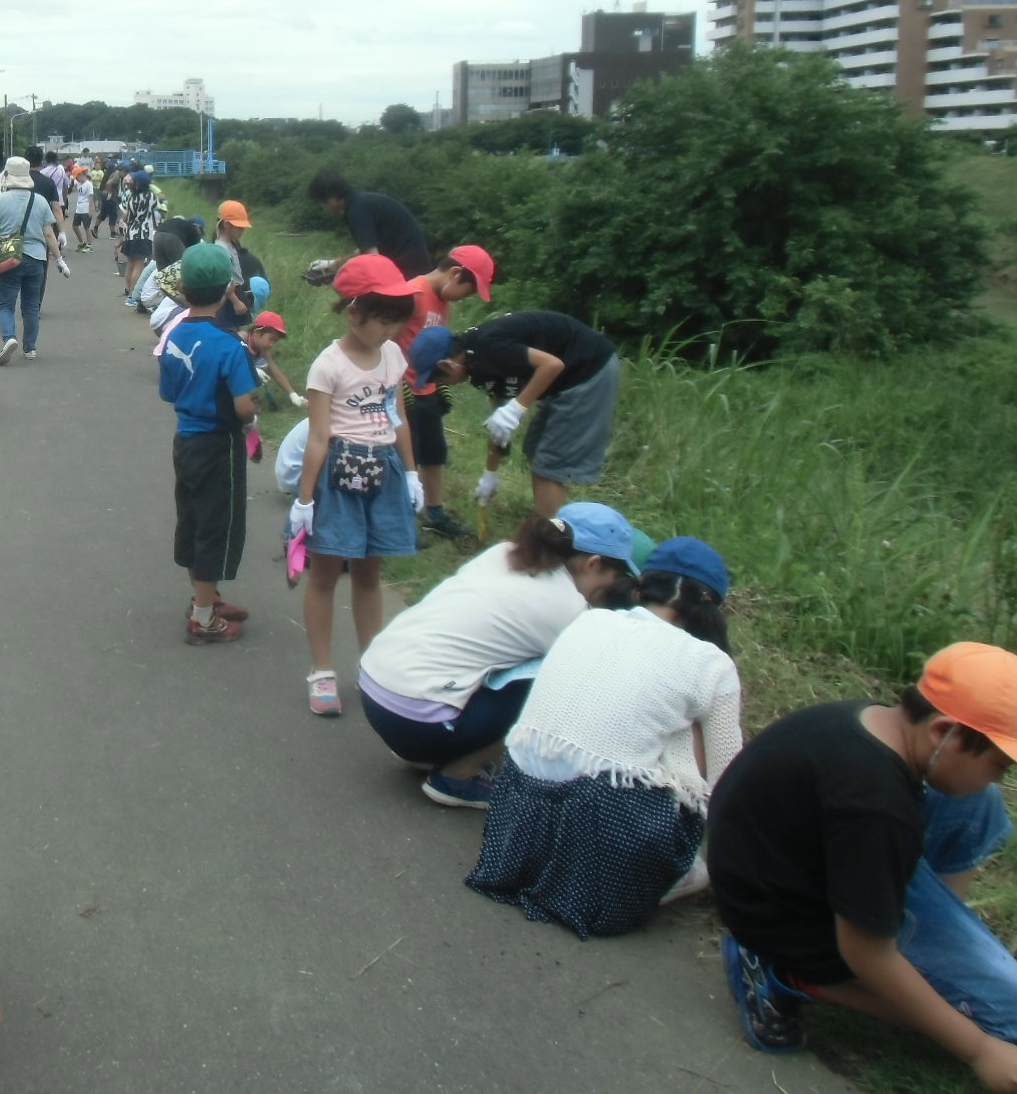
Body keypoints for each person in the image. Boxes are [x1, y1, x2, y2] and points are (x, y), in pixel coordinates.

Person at [709, 643, 1017, 1087]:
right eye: (1000, 765)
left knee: (979, 802)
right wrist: (979, 1048)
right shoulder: (876, 807)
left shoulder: (874, 723)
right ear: (943, 731)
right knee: (1009, 1011)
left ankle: (923, 942)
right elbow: (866, 952)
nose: (1000, 776)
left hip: (774, 860)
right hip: (779, 916)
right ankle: (786, 975)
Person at [466, 537, 741, 938]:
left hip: (518, 815)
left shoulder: (589, 619)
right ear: (712, 609)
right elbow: (729, 781)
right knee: (688, 723)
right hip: (608, 823)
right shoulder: (712, 664)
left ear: (641, 586)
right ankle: (671, 871)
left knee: (654, 718)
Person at [356, 504, 636, 809]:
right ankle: (459, 776)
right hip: (415, 720)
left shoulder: (504, 553)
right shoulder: (568, 609)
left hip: (374, 687)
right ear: (593, 564)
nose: (613, 587)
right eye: (616, 576)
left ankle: (428, 750)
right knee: (560, 679)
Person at [287, 256, 422, 716]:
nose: (390, 330)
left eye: (398, 322)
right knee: (325, 573)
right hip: (340, 472)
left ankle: (373, 666)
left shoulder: (393, 355)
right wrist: (305, 499)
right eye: (383, 320)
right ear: (354, 312)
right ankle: (322, 671)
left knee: (369, 572)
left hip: (383, 470)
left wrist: (411, 472)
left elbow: (397, 416)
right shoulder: (328, 365)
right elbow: (320, 436)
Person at [415, 309, 622, 517]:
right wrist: (490, 473)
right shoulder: (476, 360)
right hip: (567, 379)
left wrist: (517, 407)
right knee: (534, 447)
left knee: (549, 463)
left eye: (439, 381)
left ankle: (549, 538)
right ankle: (544, 520)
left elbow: (552, 365)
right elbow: (500, 416)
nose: (446, 385)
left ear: (447, 365)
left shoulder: (489, 346)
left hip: (589, 370)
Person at [158, 243, 260, 645]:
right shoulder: (230, 345)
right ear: (227, 289)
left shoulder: (174, 336)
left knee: (194, 518)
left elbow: (168, 393)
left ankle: (205, 596)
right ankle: (203, 619)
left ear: (182, 287)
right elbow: (243, 407)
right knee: (217, 524)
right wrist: (254, 412)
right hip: (220, 446)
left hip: (185, 441)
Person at [398, 246, 496, 543]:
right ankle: (401, 521)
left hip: (429, 388)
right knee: (405, 458)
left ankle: (435, 513)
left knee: (434, 453)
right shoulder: (412, 294)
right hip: (403, 392)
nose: (464, 298)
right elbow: (386, 339)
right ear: (455, 273)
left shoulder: (443, 302)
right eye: (467, 290)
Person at [0, 155, 67, 366]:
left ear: (7, 175)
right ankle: (30, 348)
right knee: (31, 307)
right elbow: (49, 235)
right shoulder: (40, 201)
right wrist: (59, 259)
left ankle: (9, 338)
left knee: (6, 304)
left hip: (9, 259)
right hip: (37, 259)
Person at [305, 170, 433, 276]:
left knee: (348, 287)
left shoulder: (355, 212)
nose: (323, 207)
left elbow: (372, 259)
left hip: (409, 272)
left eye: (322, 202)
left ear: (331, 196)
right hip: (418, 267)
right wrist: (331, 264)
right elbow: (364, 251)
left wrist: (343, 273)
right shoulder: (362, 202)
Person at [241, 310, 298, 408]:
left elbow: (274, 370)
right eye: (271, 339)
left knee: (267, 368)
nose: (272, 345)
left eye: (275, 341)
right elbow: (230, 363)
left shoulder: (262, 349)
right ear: (257, 333)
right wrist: (252, 370)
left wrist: (292, 394)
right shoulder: (241, 339)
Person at [119, 168, 160, 302]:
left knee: (130, 264)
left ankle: (129, 291)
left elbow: (125, 216)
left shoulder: (131, 197)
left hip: (130, 232)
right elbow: (157, 214)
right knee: (139, 265)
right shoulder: (151, 197)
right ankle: (133, 296)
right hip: (144, 233)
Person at [70, 166, 95, 251]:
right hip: (78, 208)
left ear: (81, 175)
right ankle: (81, 242)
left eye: (77, 177)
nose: (76, 179)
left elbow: (91, 197)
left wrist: (91, 210)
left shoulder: (88, 184)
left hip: (86, 208)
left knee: (86, 227)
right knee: (74, 226)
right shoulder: (78, 183)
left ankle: (89, 245)